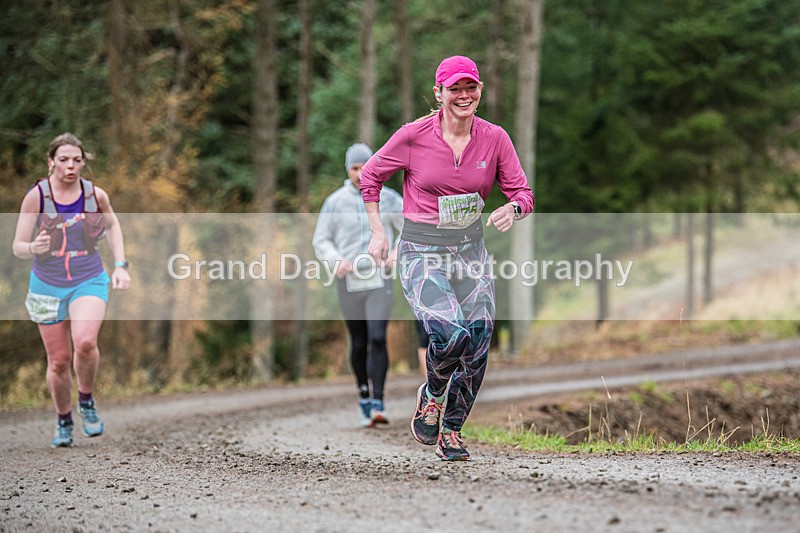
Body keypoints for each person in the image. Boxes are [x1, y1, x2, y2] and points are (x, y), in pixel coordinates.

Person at [360, 56, 534, 460]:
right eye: (454, 88)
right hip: (421, 250)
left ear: (480, 92)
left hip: (470, 250)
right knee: (450, 333)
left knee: (477, 339)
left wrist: (514, 209)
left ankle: (451, 429)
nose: (463, 95)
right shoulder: (412, 135)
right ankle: (433, 393)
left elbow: (522, 193)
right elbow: (370, 176)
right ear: (439, 93)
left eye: (470, 87)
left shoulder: (495, 138)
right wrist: (377, 231)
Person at [12, 133, 131, 448]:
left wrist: (120, 265)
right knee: (59, 361)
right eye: (63, 160)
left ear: (83, 162)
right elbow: (17, 246)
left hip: (88, 278)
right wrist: (33, 246)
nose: (71, 166)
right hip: (46, 285)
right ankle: (63, 420)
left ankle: (86, 399)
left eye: (77, 160)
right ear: (51, 162)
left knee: (86, 342)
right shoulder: (36, 197)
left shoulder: (95, 196)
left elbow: (113, 225)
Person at [312, 143, 404, 428]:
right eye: (355, 167)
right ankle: (363, 393)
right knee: (359, 340)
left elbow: (410, 228)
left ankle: (379, 401)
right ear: (347, 169)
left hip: (380, 278)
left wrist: (395, 253)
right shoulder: (335, 202)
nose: (360, 172)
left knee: (378, 336)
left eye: (365, 166)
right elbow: (321, 239)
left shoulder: (389, 199)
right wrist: (336, 260)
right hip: (349, 279)